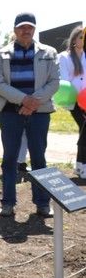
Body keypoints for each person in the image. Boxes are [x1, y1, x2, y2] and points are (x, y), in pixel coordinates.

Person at [0, 12, 60, 219]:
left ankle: (42, 204)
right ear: (14, 30)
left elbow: (54, 82)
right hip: (10, 114)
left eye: (30, 27)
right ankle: (8, 203)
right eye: (22, 27)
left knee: (39, 158)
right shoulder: (1, 55)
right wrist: (24, 100)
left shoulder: (49, 52)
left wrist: (32, 103)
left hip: (39, 113)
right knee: (10, 158)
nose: (26, 31)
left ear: (34, 29)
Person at [58, 25, 86, 177]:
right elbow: (64, 79)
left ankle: (81, 166)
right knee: (83, 127)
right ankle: (82, 166)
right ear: (74, 40)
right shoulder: (64, 56)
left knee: (84, 131)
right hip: (73, 99)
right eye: (81, 37)